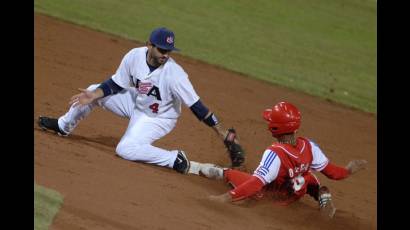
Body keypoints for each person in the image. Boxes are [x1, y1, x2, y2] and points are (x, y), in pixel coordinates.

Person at [38, 27, 245, 175]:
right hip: (137, 103)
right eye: (162, 50)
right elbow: (116, 84)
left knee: (125, 149)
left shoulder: (175, 74)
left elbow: (198, 107)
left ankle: (174, 159)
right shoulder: (134, 56)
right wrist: (95, 95)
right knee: (93, 90)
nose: (165, 55)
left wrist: (221, 131)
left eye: (168, 51)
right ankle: (63, 125)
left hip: (158, 118)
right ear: (149, 45)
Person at [199, 101, 367, 218]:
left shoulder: (275, 153)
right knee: (308, 176)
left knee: (231, 173)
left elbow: (256, 183)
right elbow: (334, 173)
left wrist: (224, 198)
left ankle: (192, 167)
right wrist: (349, 169)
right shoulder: (310, 146)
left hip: (271, 199)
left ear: (274, 128)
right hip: (295, 193)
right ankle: (321, 194)